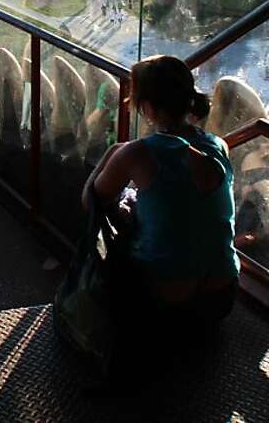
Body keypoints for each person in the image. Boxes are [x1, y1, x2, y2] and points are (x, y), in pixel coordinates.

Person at [81, 54, 239, 341]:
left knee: (116, 232)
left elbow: (90, 200)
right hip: (222, 297)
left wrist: (112, 151)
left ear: (149, 108)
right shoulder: (219, 145)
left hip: (166, 305)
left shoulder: (136, 153)